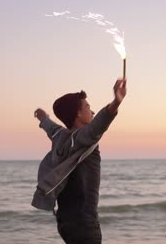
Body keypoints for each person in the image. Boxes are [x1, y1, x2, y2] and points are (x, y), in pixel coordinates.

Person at [32, 78, 127, 244]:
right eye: (88, 108)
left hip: (65, 223)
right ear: (78, 113)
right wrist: (115, 103)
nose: (93, 112)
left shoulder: (61, 137)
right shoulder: (83, 137)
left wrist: (43, 117)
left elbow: (51, 128)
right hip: (84, 226)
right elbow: (98, 126)